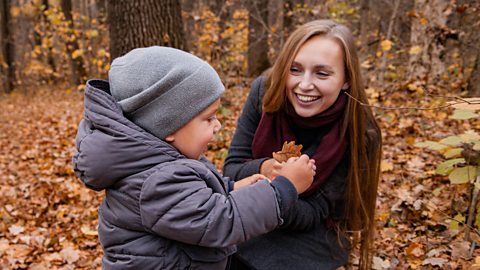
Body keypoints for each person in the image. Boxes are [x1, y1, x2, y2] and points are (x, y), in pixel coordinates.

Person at [72, 46, 316, 270]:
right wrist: (284, 188)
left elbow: (195, 199)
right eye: (208, 118)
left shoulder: (164, 163)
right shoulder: (158, 180)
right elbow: (220, 223)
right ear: (168, 126)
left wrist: (233, 188)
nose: (218, 125)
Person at [223, 19, 382, 270]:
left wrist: (278, 191)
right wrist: (265, 169)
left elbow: (316, 212)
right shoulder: (265, 93)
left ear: (346, 80)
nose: (305, 84)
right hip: (251, 213)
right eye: (295, 70)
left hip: (313, 232)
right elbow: (231, 171)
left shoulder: (361, 132)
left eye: (322, 73)